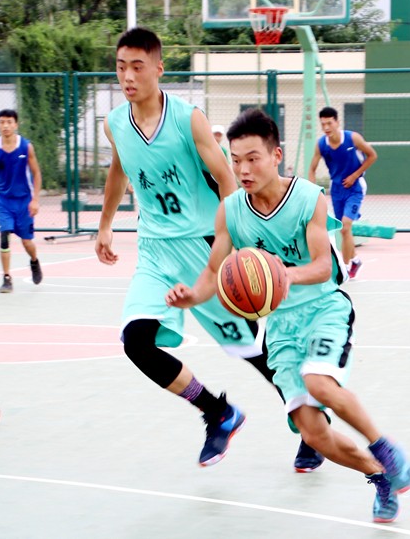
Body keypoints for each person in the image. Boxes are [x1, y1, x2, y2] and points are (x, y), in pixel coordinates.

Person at [166, 108, 410, 523]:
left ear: (276, 155)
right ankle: (379, 475)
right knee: (313, 433)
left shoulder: (307, 198)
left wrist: (282, 274)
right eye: (236, 160)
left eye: (253, 159)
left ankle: (385, 448)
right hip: (280, 326)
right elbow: (213, 271)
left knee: (319, 381)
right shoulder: (231, 210)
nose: (243, 169)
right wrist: (191, 295)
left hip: (324, 308)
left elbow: (322, 266)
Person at [96, 27, 323, 470]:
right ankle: (217, 411)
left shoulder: (188, 119)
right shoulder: (115, 123)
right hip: (154, 251)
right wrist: (105, 225)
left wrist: (232, 242)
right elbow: (120, 170)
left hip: (203, 248)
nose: (128, 76)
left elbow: (225, 178)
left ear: (159, 69)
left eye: (138, 67)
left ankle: (312, 428)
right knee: (136, 343)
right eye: (121, 67)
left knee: (256, 353)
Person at [308, 106, 377, 279]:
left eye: (329, 123)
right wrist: (313, 192)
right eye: (323, 124)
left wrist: (354, 175)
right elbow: (312, 169)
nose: (326, 127)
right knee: (344, 230)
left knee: (346, 226)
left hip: (355, 187)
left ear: (337, 122)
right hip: (337, 190)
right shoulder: (321, 145)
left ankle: (344, 268)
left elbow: (372, 156)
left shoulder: (353, 138)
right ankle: (355, 260)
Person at [0, 109, 43, 293]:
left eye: (9, 122)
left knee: (27, 242)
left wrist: (35, 200)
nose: (5, 126)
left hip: (24, 201)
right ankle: (7, 278)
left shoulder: (26, 147)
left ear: (16, 124)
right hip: (3, 201)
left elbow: (36, 173)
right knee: (4, 236)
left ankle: (34, 261)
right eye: (2, 122)